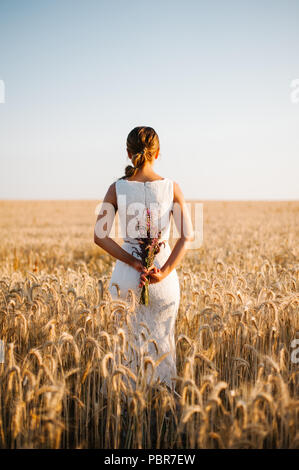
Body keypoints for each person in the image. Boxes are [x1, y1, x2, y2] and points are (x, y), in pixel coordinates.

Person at [94, 126, 193, 391]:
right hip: (162, 278)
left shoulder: (116, 188)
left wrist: (132, 260)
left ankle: (126, 413)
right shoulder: (173, 188)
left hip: (127, 278)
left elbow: (99, 236)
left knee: (126, 348)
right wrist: (164, 271)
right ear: (158, 153)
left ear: (128, 153)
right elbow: (187, 236)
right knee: (163, 345)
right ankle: (162, 413)